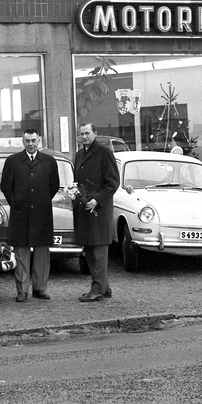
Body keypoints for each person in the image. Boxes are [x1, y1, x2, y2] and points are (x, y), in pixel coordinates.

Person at [0, 128, 60, 302]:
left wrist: (41, 201)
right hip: (20, 214)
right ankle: (22, 291)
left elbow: (54, 185)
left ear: (39, 140)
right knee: (21, 253)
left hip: (42, 214)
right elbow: (5, 186)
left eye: (34, 140)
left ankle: (40, 288)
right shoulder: (13, 161)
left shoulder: (49, 161)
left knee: (42, 252)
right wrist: (17, 202)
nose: (31, 144)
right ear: (23, 141)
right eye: (28, 141)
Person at [73, 122, 119, 302]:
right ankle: (104, 287)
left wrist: (97, 199)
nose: (84, 137)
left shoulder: (104, 153)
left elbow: (113, 183)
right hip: (85, 210)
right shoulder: (79, 155)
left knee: (98, 252)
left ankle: (97, 289)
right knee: (90, 251)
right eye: (81, 134)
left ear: (95, 133)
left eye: (87, 133)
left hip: (99, 211)